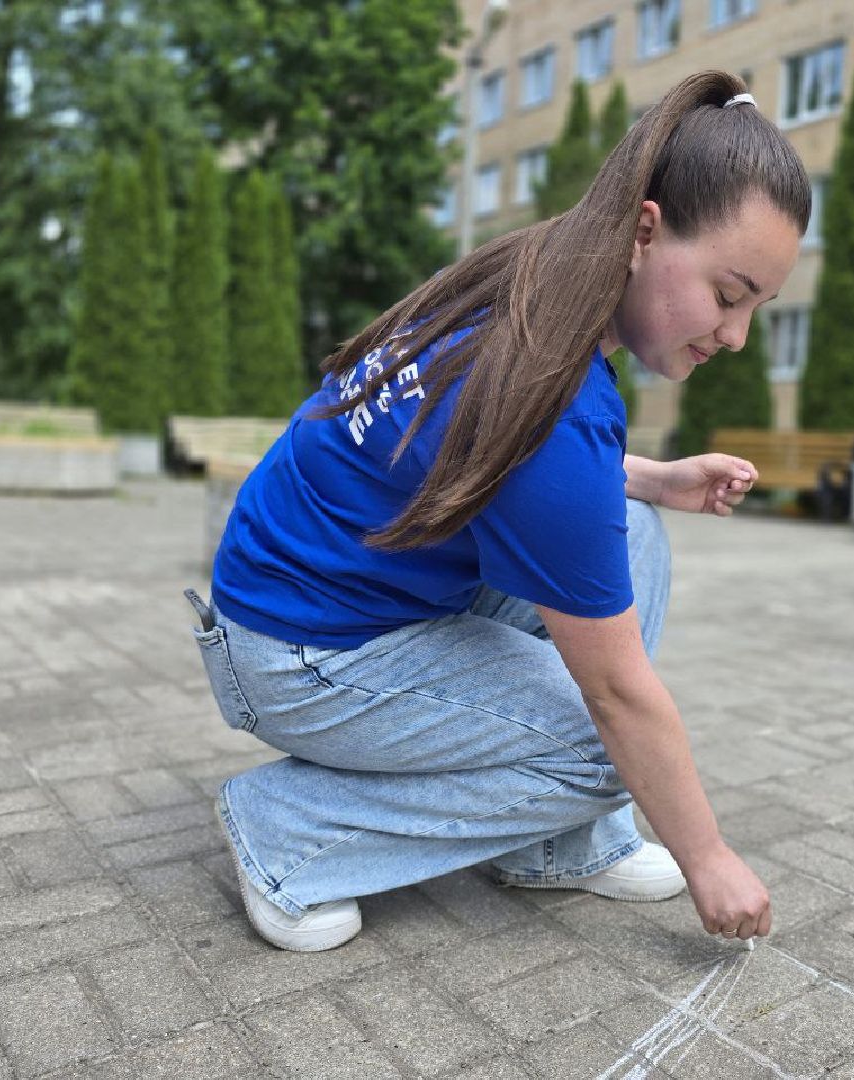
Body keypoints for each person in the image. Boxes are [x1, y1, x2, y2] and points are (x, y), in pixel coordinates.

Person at [188, 69, 810, 953]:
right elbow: (618, 696)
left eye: (758, 307)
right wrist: (705, 854)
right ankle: (294, 835)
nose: (737, 335)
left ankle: (562, 844)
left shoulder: (529, 287)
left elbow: (500, 455)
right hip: (295, 654)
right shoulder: (549, 380)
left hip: (322, 602)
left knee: (633, 530)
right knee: (608, 747)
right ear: (645, 231)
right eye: (728, 293)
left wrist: (647, 478)